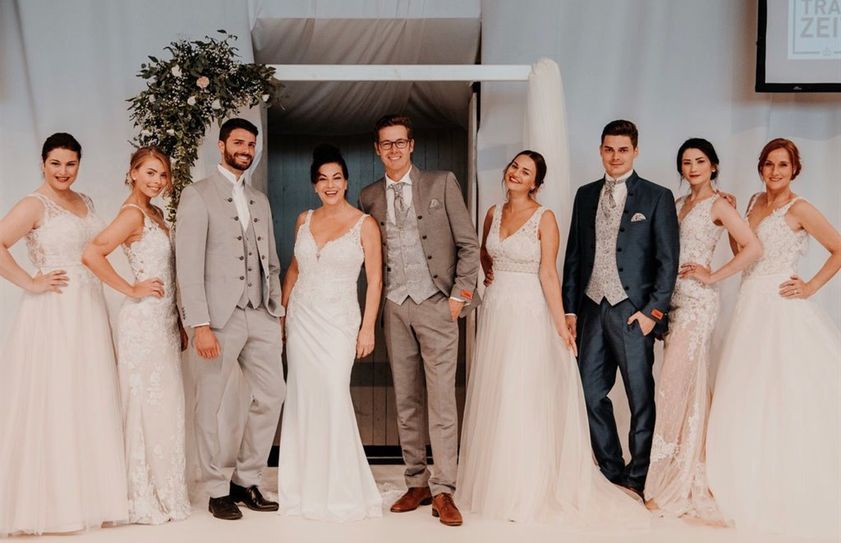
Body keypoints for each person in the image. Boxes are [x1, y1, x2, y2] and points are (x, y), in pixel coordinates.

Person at [457, 151, 649, 526]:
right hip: (496, 313)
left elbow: (548, 272)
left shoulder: (545, 217)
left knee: (521, 393)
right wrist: (492, 274)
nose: (516, 173)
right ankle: (496, 484)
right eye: (514, 166)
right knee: (497, 391)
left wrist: (562, 324)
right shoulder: (493, 213)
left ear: (536, 183)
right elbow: (484, 252)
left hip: (529, 313)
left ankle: (526, 489)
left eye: (525, 171)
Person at [706, 138, 841, 539]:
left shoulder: (800, 209)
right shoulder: (753, 202)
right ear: (760, 168)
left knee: (784, 390)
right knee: (746, 388)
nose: (775, 171)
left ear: (794, 169)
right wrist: (732, 216)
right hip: (749, 303)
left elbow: (838, 248)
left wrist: (810, 286)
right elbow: (744, 250)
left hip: (781, 307)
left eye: (783, 165)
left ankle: (785, 479)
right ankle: (743, 472)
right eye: (769, 164)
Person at [0, 133, 128, 535]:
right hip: (54, 312)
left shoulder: (84, 200)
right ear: (42, 163)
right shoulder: (33, 204)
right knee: (54, 396)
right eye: (55, 163)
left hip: (88, 309)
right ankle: (51, 504)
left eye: (70, 164)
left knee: (88, 394)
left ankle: (92, 498)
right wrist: (30, 282)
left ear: (79, 165)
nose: (63, 171)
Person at [358, 114, 480, 527]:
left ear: (411, 145)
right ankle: (416, 482)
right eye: (386, 143)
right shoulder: (369, 196)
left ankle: (444, 489)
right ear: (377, 149)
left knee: (442, 399)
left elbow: (468, 245)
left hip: (437, 303)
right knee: (406, 398)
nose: (393, 149)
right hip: (395, 306)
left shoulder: (441, 183)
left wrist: (458, 300)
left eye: (400, 142)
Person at [643, 139, 761, 522]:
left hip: (697, 304)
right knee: (685, 387)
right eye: (686, 162)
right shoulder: (678, 204)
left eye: (699, 161)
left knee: (671, 386)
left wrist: (713, 275)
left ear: (713, 166)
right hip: (671, 302)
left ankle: (665, 483)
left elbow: (753, 247)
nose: (692, 168)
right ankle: (693, 466)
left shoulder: (719, 204)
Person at [562, 119, 680, 499]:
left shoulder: (657, 197)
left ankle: (639, 475)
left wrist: (652, 312)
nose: (615, 156)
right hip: (592, 307)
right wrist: (570, 311)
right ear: (600, 150)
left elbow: (667, 261)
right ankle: (611, 471)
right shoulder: (584, 195)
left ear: (635, 151)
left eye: (623, 150)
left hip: (633, 311)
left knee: (639, 396)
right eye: (609, 149)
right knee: (589, 392)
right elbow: (574, 257)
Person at [175, 118, 285, 521]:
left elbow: (271, 260)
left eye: (251, 144)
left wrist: (276, 311)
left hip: (260, 314)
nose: (246, 150)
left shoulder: (260, 200)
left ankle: (246, 478)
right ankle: (214, 488)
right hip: (218, 320)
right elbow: (187, 265)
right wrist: (199, 324)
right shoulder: (197, 195)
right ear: (221, 146)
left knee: (273, 394)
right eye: (238, 142)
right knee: (209, 404)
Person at [82, 146, 191, 524]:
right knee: (146, 405)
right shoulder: (132, 213)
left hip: (163, 321)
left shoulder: (155, 213)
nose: (157, 181)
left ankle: (167, 490)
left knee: (166, 405)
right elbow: (92, 253)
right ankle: (142, 494)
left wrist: (178, 322)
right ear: (132, 173)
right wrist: (130, 288)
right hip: (143, 324)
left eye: (162, 174)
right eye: (149, 173)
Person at [277, 144, 383, 521]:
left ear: (346, 181)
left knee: (333, 393)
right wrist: (282, 316)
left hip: (339, 322)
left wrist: (367, 329)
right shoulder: (303, 220)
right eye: (323, 179)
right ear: (314, 185)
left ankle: (340, 489)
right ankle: (302, 487)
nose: (330, 184)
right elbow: (294, 270)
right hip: (301, 319)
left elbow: (375, 281)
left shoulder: (364, 224)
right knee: (303, 398)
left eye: (337, 177)